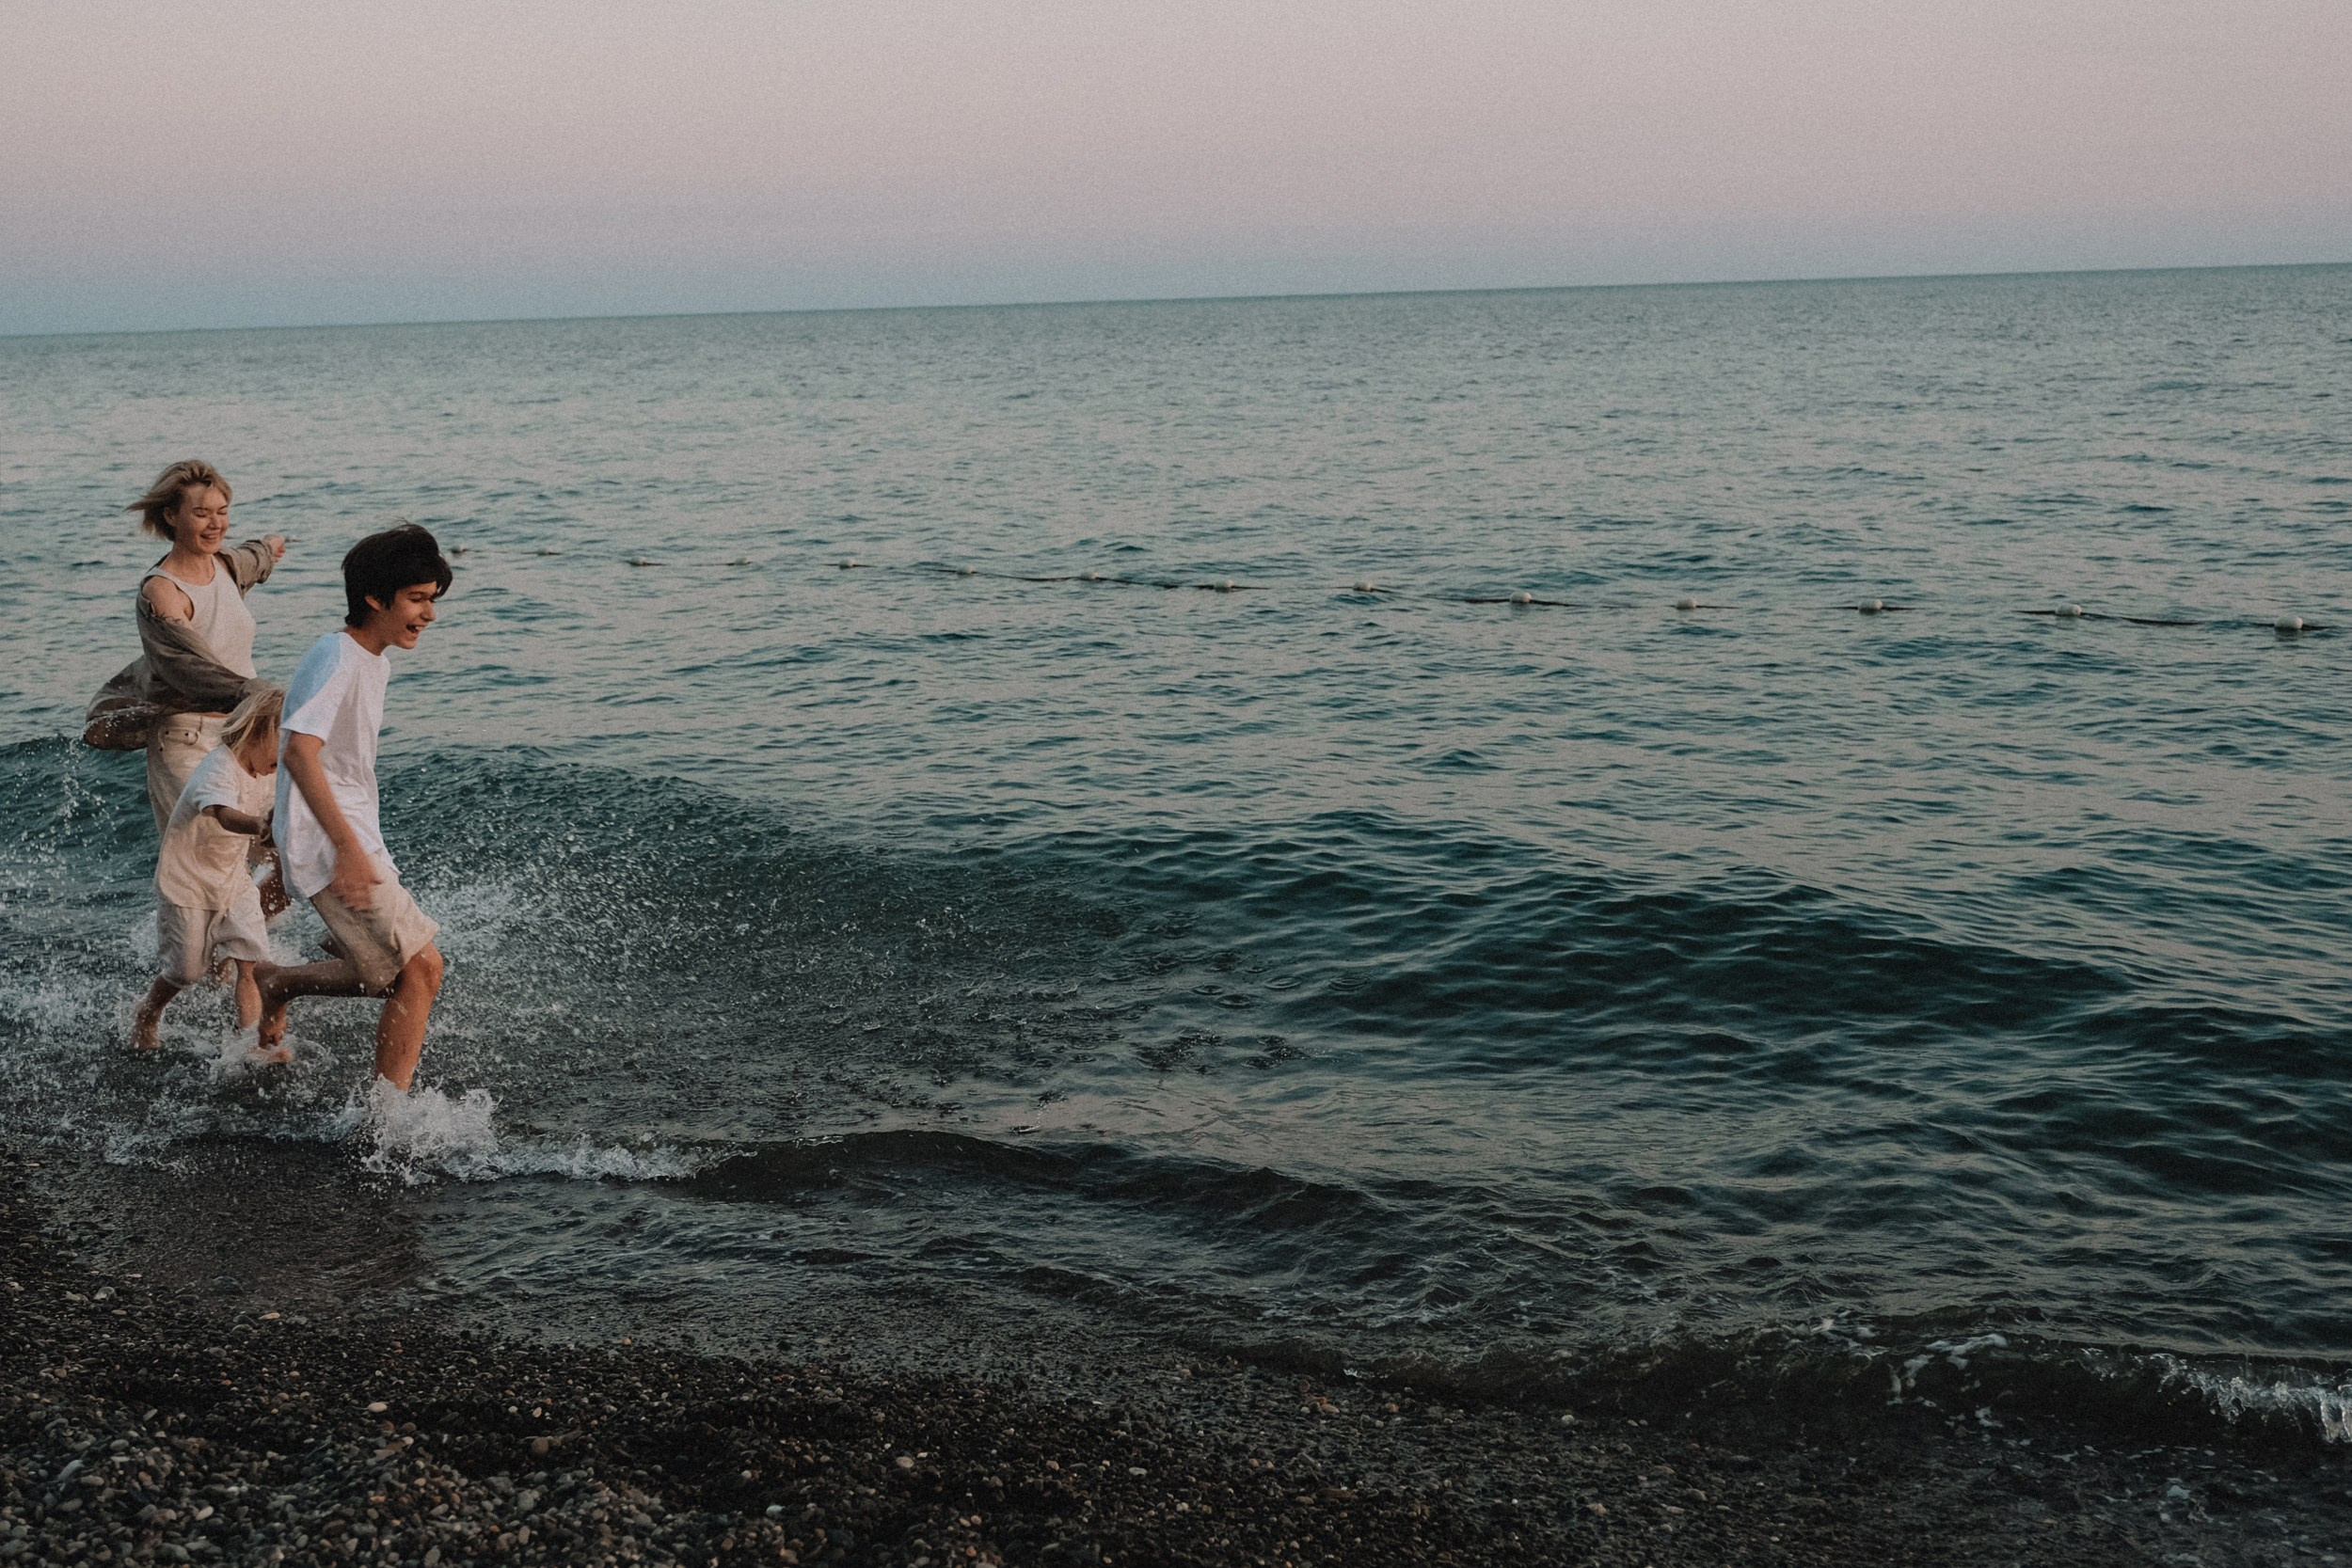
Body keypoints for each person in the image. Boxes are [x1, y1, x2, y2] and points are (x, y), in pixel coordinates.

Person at [255, 523, 453, 1093]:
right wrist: (347, 851)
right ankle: (387, 1121)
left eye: (430, 600)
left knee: (387, 975)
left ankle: (279, 981)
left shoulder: (371, 660)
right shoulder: (338, 655)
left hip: (350, 834)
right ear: (374, 598)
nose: (428, 615)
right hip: (334, 842)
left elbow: (327, 761)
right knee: (421, 971)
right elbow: (297, 751)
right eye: (416, 599)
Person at [131, 685, 286, 1057]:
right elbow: (222, 813)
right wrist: (260, 827)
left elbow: (269, 819)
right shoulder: (218, 767)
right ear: (258, 731)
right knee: (185, 972)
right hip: (187, 882)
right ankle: (147, 1012)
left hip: (233, 881)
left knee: (252, 963)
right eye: (282, 745)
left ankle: (254, 1044)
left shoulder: (267, 773)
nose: (285, 757)